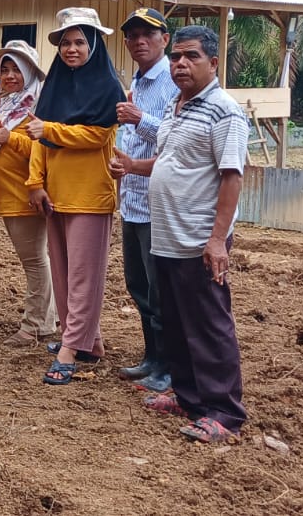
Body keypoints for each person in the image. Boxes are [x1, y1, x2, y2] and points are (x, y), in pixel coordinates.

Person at [110, 26, 249, 444]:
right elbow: (172, 160)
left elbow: (231, 178)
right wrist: (135, 167)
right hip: (166, 235)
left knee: (208, 325)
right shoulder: (177, 104)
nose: (181, 64)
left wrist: (216, 239)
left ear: (214, 62)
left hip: (198, 239)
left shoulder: (225, 112)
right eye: (177, 58)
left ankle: (224, 412)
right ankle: (189, 397)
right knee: (176, 321)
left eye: (191, 56)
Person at [28, 8, 122, 385]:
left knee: (84, 275)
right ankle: (87, 341)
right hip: (56, 193)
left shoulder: (108, 88)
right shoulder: (55, 87)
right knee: (65, 272)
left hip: (90, 194)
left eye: (80, 41)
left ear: (95, 45)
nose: (71, 49)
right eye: (65, 43)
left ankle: (70, 347)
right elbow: (38, 139)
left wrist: (50, 128)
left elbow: (96, 136)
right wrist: (36, 182)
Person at [113, 8, 180, 393]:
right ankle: (151, 357)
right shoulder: (137, 81)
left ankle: (168, 366)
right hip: (133, 201)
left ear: (163, 40)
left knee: (160, 290)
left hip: (159, 204)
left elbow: (175, 140)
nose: (140, 41)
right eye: (133, 35)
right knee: (138, 285)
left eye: (148, 34)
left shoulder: (172, 83)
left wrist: (140, 119)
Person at [0, 40, 57, 346]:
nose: (10, 75)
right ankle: (47, 319)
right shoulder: (1, 103)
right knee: (37, 260)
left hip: (28, 194)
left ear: (29, 71)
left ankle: (34, 325)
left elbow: (43, 149)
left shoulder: (37, 106)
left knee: (35, 261)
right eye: (5, 70)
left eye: (16, 69)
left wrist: (9, 138)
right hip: (7, 194)